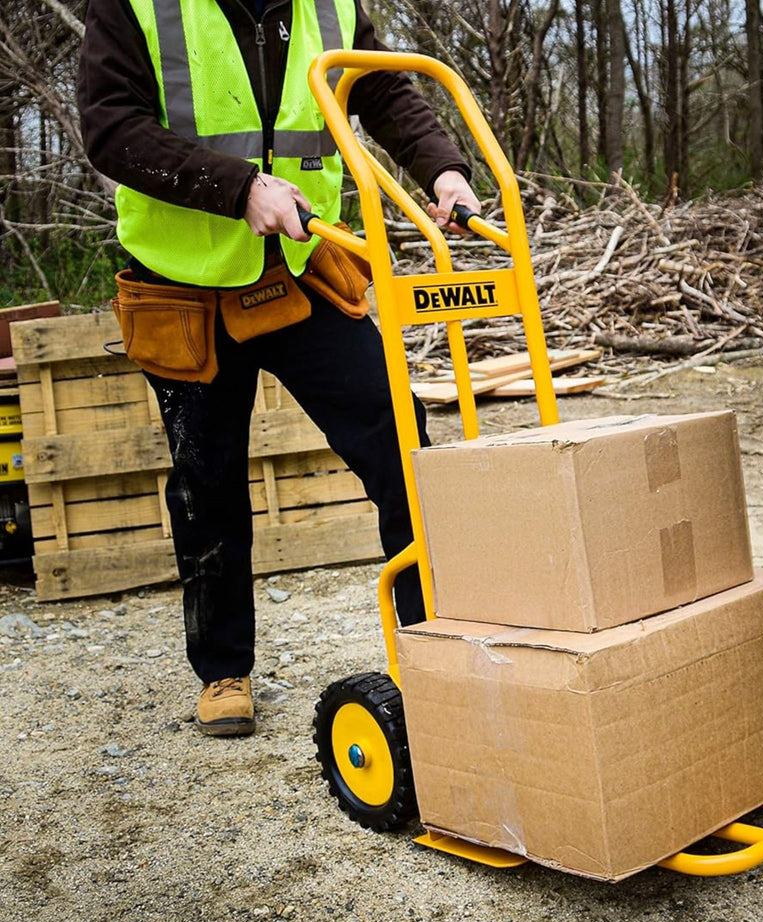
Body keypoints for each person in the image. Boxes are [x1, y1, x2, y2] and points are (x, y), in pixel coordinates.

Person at [77, 0, 481, 737]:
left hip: (300, 265)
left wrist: (444, 170)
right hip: (184, 280)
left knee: (399, 434)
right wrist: (238, 187)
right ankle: (224, 668)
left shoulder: (327, 5)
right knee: (208, 478)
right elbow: (109, 127)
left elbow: (383, 91)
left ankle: (436, 639)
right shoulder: (139, 6)